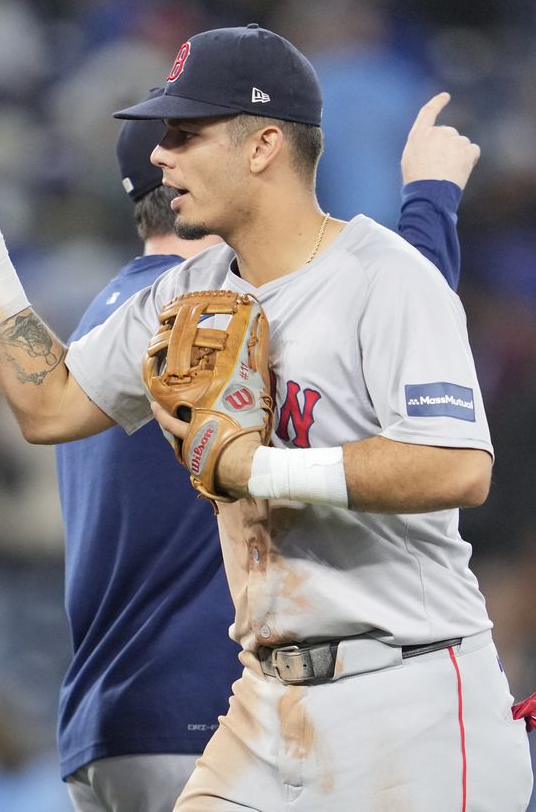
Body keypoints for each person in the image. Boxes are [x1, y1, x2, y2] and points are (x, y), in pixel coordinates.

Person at [0, 24, 536, 810]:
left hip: (411, 696)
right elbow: (48, 402)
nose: (159, 156)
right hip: (265, 703)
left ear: (262, 145)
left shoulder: (384, 279)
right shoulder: (185, 293)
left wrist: (258, 468)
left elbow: (458, 467)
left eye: (185, 134)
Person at [55, 84, 480, 812]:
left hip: (107, 719)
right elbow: (405, 352)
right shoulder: (203, 316)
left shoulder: (104, 323)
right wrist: (430, 199)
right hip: (204, 711)